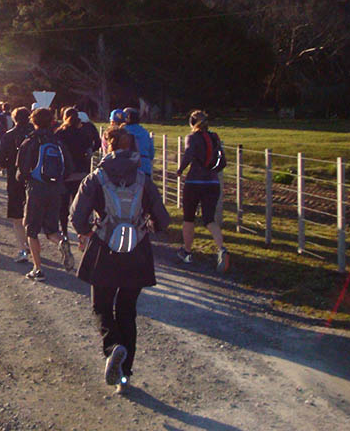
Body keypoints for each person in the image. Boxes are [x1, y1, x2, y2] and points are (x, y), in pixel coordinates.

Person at [70, 124, 170, 394]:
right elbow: (162, 220)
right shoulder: (142, 179)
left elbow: (77, 218)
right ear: (132, 147)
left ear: (107, 146)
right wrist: (147, 226)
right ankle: (125, 375)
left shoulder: (96, 178)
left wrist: (89, 232)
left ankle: (113, 347)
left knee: (101, 306)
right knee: (127, 310)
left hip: (105, 248)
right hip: (137, 250)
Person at [15, 107, 75, 280]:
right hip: (55, 189)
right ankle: (61, 241)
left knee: (31, 230)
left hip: (36, 189)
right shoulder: (58, 142)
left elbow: (22, 171)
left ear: (33, 121)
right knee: (51, 229)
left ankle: (38, 268)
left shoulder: (30, 141)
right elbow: (69, 168)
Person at [175, 110, 230, 273]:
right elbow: (223, 162)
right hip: (212, 183)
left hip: (194, 181)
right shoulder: (214, 138)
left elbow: (188, 154)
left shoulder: (192, 137)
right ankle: (222, 249)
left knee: (188, 218)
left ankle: (187, 252)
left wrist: (180, 170)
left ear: (192, 123)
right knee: (209, 219)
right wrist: (211, 170)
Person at [55, 107, 100, 237]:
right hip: (81, 172)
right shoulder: (84, 133)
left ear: (64, 117)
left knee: (63, 205)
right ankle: (81, 233)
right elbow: (92, 146)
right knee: (80, 206)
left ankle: (64, 232)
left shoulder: (60, 133)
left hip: (65, 173)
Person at [0, 106, 33, 263]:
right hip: (34, 179)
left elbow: (0, 160)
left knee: (17, 216)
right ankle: (33, 242)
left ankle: (23, 248)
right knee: (31, 213)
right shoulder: (34, 134)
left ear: (14, 119)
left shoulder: (9, 136)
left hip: (15, 177)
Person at [123, 107, 153, 176]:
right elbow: (151, 153)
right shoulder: (145, 133)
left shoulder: (123, 131)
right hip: (145, 166)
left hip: (128, 166)